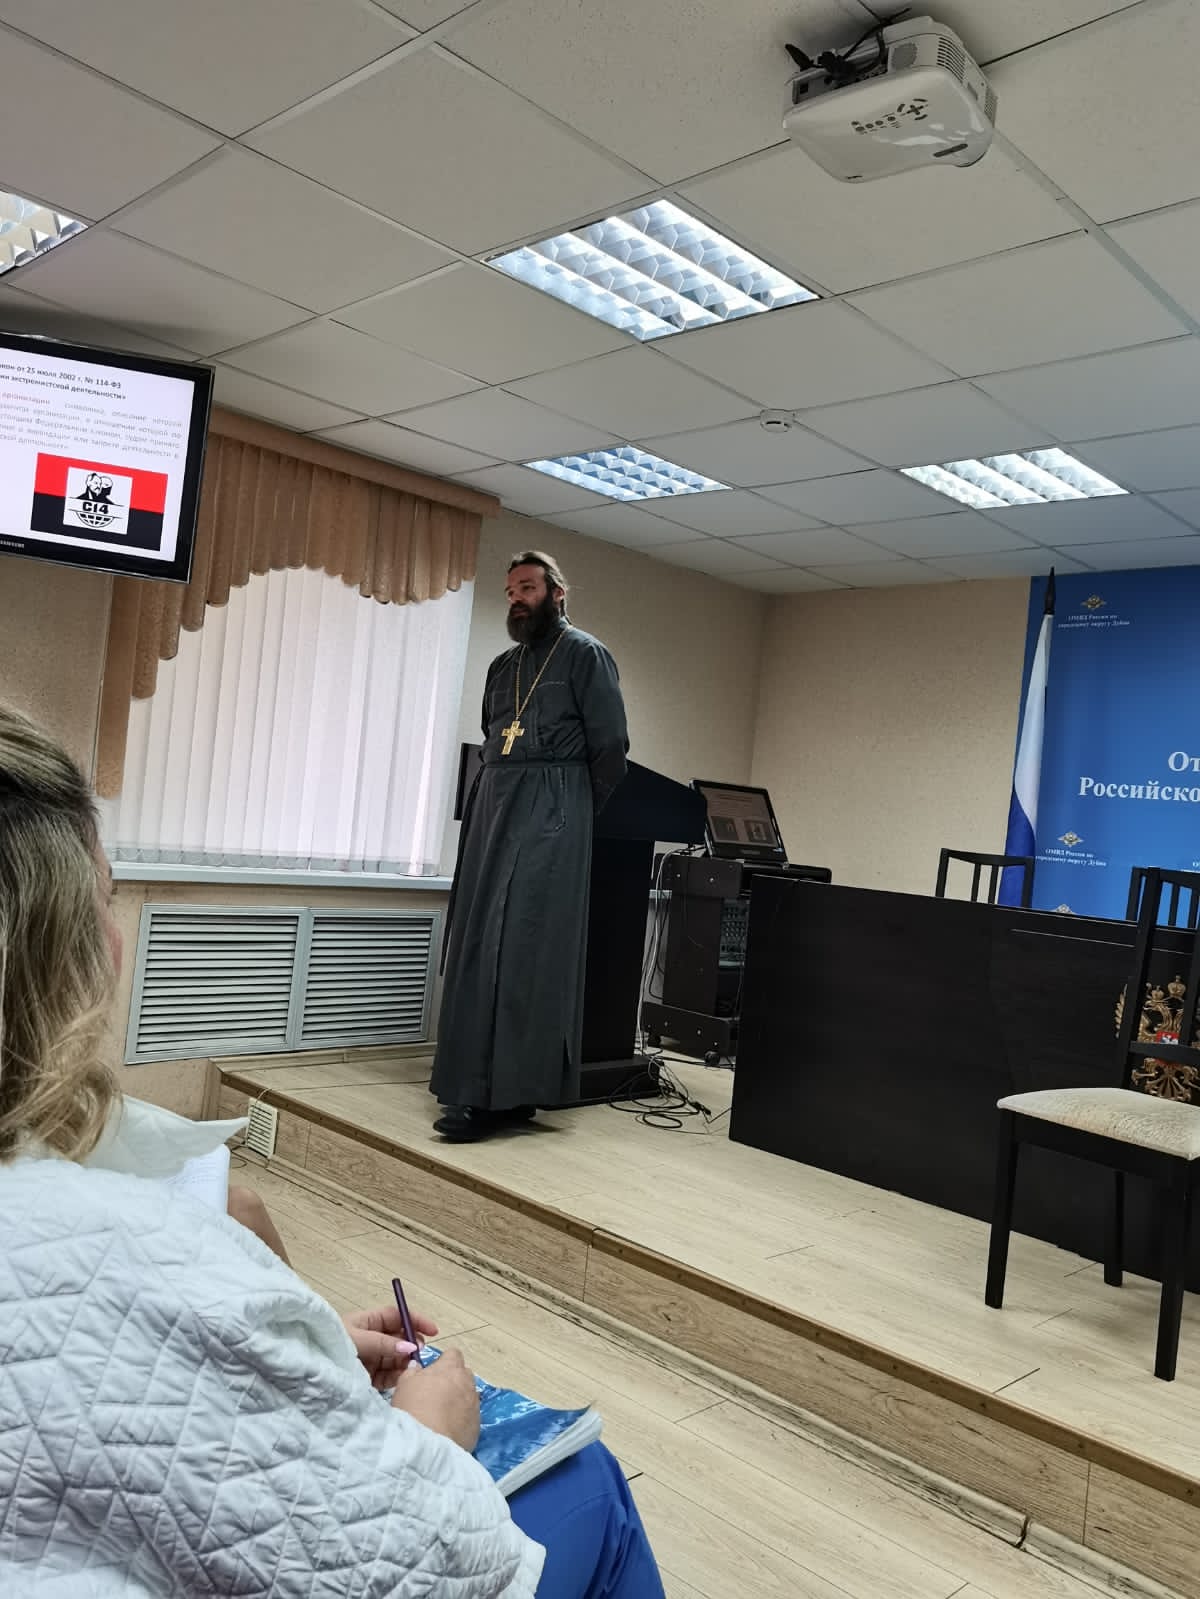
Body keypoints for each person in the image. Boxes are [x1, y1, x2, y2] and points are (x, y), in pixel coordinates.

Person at [0, 703, 663, 1597]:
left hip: (550, 845)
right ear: (57, 954)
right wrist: (431, 1435)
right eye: (105, 898)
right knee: (592, 1482)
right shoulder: (123, 1249)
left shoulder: (579, 670)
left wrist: (287, 1355)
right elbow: (398, 1553)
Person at [432, 553, 629, 1141]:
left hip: (552, 808)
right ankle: (485, 1086)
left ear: (557, 593)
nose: (517, 599)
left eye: (528, 588)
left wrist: (569, 812)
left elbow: (611, 747)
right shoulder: (503, 665)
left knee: (523, 948)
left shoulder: (586, 655)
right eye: (511, 591)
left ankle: (499, 1092)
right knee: (478, 943)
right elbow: (494, 734)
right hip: (495, 804)